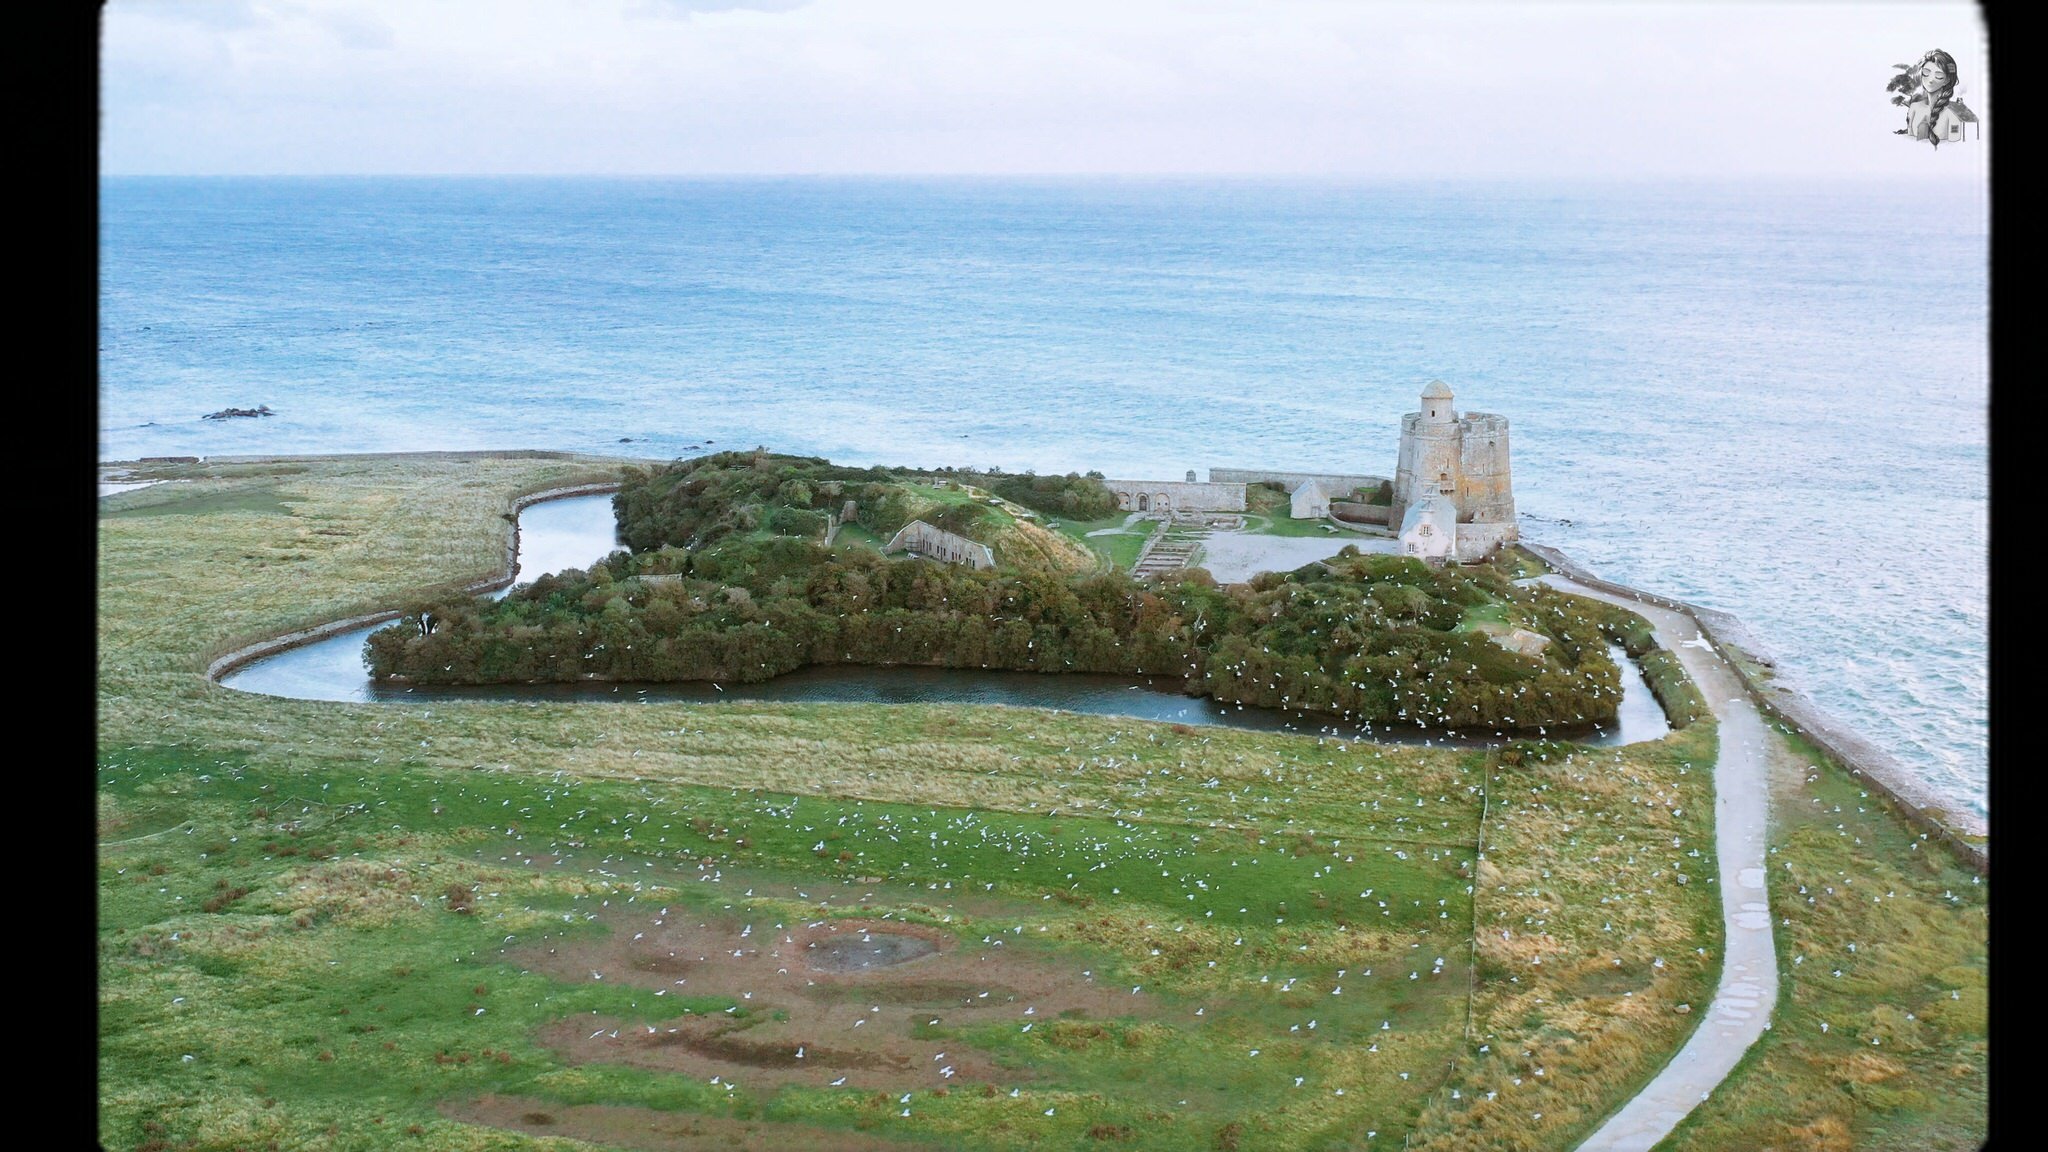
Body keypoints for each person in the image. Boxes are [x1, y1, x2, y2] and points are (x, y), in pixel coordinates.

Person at [1890, 49, 1960, 147]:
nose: (1930, 80)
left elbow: (1955, 148)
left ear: (1947, 80)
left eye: (1938, 75)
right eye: (1926, 73)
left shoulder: (1952, 115)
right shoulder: (1914, 108)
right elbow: (1908, 142)